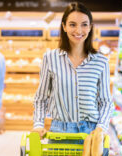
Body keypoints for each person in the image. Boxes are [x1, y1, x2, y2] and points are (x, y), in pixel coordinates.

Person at [32, 2, 114, 140]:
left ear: (90, 27)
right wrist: (38, 124)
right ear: (64, 26)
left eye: (84, 24)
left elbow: (106, 102)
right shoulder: (50, 58)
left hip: (91, 134)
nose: (78, 30)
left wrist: (101, 127)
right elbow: (41, 98)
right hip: (59, 131)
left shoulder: (101, 62)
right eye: (72, 24)